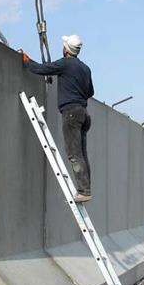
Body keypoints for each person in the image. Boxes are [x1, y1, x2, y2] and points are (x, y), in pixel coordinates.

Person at [20, 34, 95, 202]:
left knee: (74, 154)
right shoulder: (85, 68)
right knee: (82, 153)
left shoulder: (65, 64)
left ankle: (83, 191)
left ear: (66, 49)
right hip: (84, 113)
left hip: (71, 113)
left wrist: (27, 61)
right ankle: (86, 189)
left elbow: (41, 69)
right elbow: (90, 92)